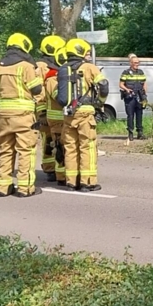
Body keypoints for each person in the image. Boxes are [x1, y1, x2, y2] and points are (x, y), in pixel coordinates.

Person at [0, 33, 44, 198]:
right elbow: (36, 89)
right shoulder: (25, 66)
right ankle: (25, 188)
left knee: (5, 150)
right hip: (23, 114)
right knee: (25, 150)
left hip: (3, 115)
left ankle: (3, 187)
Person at [58, 38, 108, 192]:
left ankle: (71, 182)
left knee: (71, 147)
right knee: (87, 147)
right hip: (85, 112)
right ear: (80, 52)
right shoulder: (90, 67)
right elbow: (104, 86)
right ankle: (87, 182)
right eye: (86, 52)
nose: (87, 55)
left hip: (68, 113)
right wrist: (99, 103)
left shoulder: (63, 69)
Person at [36, 35, 65, 180]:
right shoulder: (41, 66)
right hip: (45, 109)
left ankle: (55, 168)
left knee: (54, 140)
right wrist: (41, 112)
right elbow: (39, 91)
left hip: (52, 110)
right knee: (48, 141)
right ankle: (50, 169)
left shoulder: (53, 65)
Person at [44, 47, 68, 186]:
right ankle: (61, 177)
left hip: (64, 118)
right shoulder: (52, 78)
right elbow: (59, 97)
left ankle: (67, 174)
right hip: (57, 119)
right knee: (59, 148)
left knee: (66, 148)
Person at [119, 54, 147, 142]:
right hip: (130, 97)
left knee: (139, 114)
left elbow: (144, 84)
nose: (137, 64)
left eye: (138, 62)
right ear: (130, 63)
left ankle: (140, 133)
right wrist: (127, 89)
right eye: (135, 62)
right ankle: (130, 133)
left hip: (139, 97)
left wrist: (145, 96)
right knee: (130, 115)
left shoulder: (141, 72)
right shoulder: (126, 72)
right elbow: (121, 84)